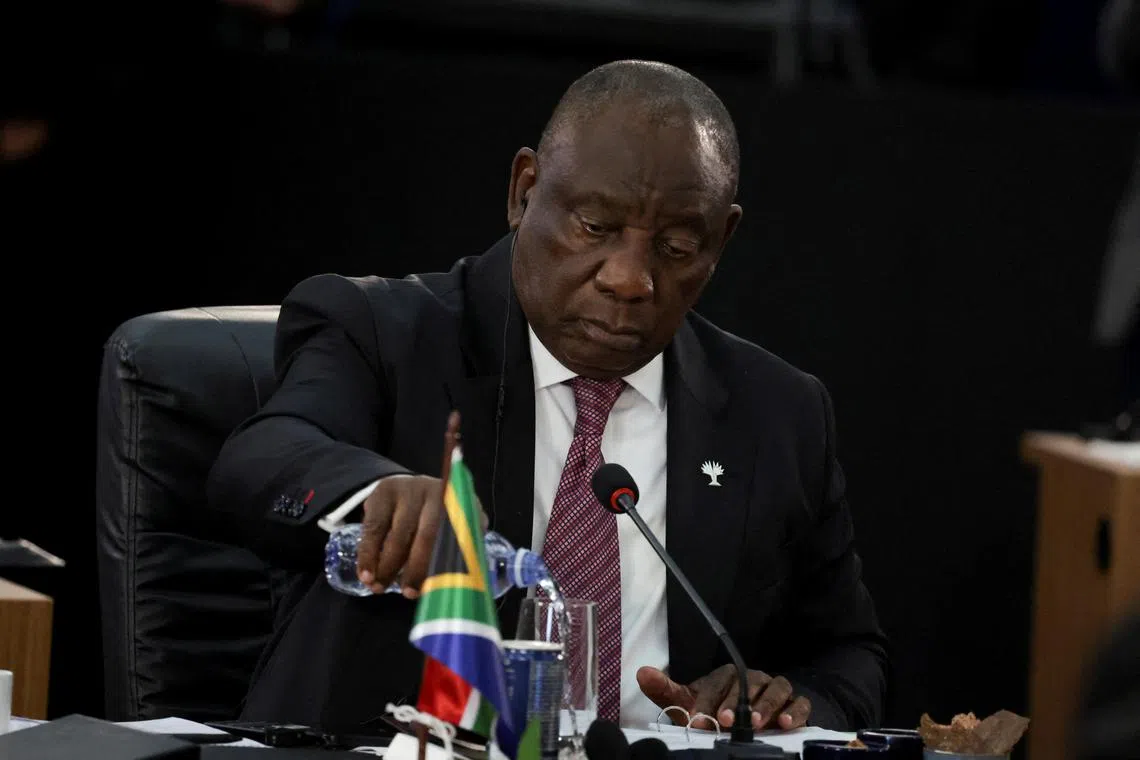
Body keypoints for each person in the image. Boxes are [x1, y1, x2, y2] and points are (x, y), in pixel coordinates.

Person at [207, 60, 888, 734]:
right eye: (595, 228)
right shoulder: (384, 331)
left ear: (722, 240)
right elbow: (262, 458)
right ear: (524, 190)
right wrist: (379, 494)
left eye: (677, 247)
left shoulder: (779, 413)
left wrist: (779, 700)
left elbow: (850, 658)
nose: (629, 279)